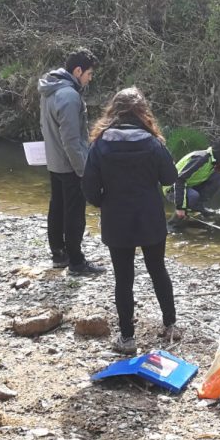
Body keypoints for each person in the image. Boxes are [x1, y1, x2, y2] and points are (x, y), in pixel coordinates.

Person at [82, 87, 181, 354]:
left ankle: (127, 339)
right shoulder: (152, 144)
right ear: (142, 112)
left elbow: (89, 187)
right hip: (150, 217)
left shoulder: (100, 144)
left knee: (123, 278)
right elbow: (170, 178)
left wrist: (105, 202)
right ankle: (170, 324)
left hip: (117, 218)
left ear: (113, 111)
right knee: (158, 270)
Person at [38, 48, 105, 275]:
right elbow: (71, 140)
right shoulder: (69, 95)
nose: (90, 78)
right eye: (89, 73)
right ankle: (76, 261)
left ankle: (59, 254)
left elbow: (47, 129)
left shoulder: (49, 89)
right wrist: (83, 171)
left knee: (57, 207)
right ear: (77, 71)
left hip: (55, 161)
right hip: (69, 164)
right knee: (74, 213)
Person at [167, 140, 220, 221]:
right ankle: (175, 223)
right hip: (172, 188)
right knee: (193, 196)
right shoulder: (201, 159)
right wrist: (180, 207)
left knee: (219, 177)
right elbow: (179, 179)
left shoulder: (214, 161)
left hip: (187, 186)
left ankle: (195, 208)